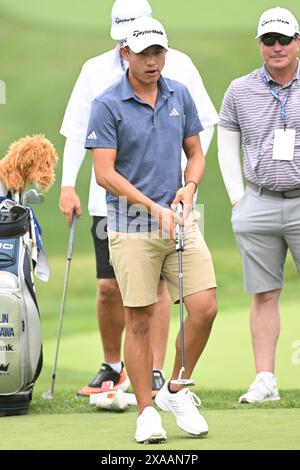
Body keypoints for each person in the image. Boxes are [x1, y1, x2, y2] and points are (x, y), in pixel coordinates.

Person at [59, 0, 218, 398]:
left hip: (175, 202)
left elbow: (200, 131)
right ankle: (114, 366)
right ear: (122, 44)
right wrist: (66, 185)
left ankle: (158, 373)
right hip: (111, 205)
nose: (150, 59)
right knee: (111, 288)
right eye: (128, 43)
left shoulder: (179, 70)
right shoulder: (96, 74)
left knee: (161, 291)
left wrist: (188, 181)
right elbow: (79, 132)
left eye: (155, 50)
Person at [218, 7, 300, 404]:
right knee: (265, 293)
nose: (277, 47)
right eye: (269, 40)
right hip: (260, 201)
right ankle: (265, 380)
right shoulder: (240, 89)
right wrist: (238, 199)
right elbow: (227, 143)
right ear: (259, 45)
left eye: (284, 39)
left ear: (297, 41)